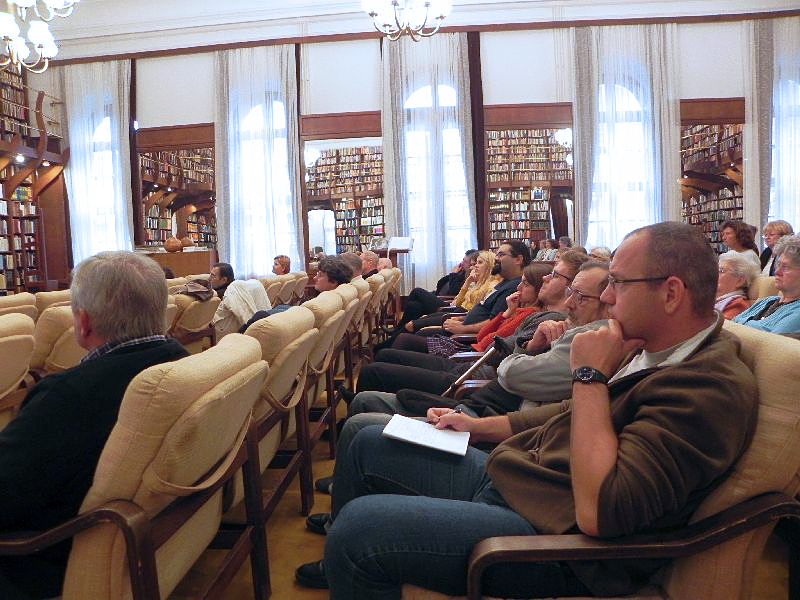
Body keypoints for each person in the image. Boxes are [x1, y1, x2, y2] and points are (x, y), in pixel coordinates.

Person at [295, 221, 758, 599]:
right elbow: (564, 413)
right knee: (369, 440)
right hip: (522, 476)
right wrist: (478, 427)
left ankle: (346, 560)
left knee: (359, 531)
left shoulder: (707, 387)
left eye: (618, 283)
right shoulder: (648, 346)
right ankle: (340, 566)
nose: (607, 297)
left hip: (556, 537)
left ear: (671, 293)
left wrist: (589, 377)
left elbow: (602, 513)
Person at [0, 252, 189, 599]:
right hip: (158, 533)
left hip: (44, 558)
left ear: (83, 322)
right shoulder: (180, 361)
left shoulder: (67, 397)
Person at [350, 251, 586, 397]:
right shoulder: (532, 312)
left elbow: (494, 349)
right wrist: (506, 314)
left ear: (572, 287)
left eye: (555, 275)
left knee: (378, 367)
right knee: (391, 352)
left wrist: (471, 329)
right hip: (469, 362)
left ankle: (371, 402)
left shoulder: (547, 321)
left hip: (469, 370)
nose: (546, 278)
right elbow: (489, 339)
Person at [734, 234, 800, 333]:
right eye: (778, 265)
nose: (777, 271)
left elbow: (770, 340)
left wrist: (740, 326)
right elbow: (733, 322)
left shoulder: (797, 312)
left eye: (785, 267)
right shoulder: (767, 301)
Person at [397, 250, 478, 328]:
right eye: (463, 260)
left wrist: (453, 275)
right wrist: (452, 273)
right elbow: (440, 283)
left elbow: (453, 291)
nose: (462, 263)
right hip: (439, 297)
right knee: (413, 306)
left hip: (446, 303)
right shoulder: (462, 272)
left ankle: (400, 327)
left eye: (465, 262)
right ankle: (399, 330)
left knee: (417, 291)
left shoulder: (469, 278)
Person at [715, 251, 758, 319]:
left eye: (721, 271)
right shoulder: (715, 299)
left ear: (739, 281)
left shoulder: (738, 305)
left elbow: (714, 325)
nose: (715, 274)